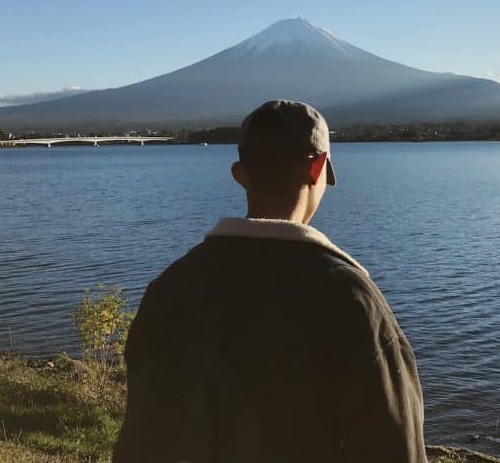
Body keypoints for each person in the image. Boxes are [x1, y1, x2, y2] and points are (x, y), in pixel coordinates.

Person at [114, 99, 426, 462]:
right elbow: (396, 448)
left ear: (240, 174)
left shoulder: (170, 288)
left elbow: (141, 439)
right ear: (318, 168)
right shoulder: (350, 299)